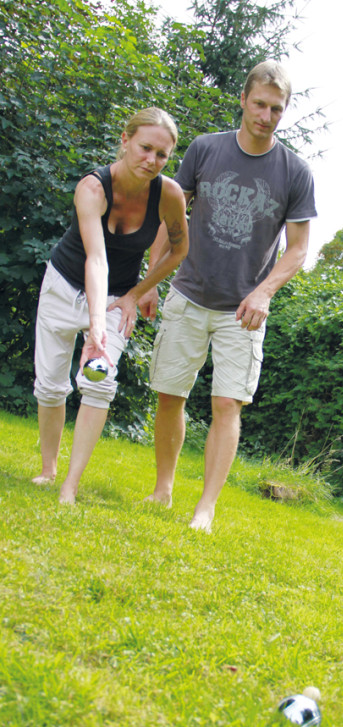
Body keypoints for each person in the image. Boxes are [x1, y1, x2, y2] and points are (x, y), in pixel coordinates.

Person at [145, 61, 317, 531]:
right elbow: (171, 219)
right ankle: (163, 489)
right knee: (169, 394)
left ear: (285, 111)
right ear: (243, 100)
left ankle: (205, 508)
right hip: (188, 291)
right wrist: (151, 282)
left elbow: (298, 250)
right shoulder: (205, 150)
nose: (266, 115)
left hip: (244, 311)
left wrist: (263, 292)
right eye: (259, 104)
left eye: (276, 108)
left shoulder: (295, 172)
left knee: (227, 405)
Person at [32, 107, 189, 504]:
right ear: (125, 140)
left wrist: (136, 294)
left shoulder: (167, 195)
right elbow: (96, 259)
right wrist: (94, 324)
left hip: (118, 297)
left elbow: (180, 248)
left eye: (162, 155)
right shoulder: (92, 188)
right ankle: (49, 470)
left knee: (97, 382)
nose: (151, 161)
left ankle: (70, 485)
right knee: (50, 386)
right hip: (64, 287)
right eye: (145, 148)